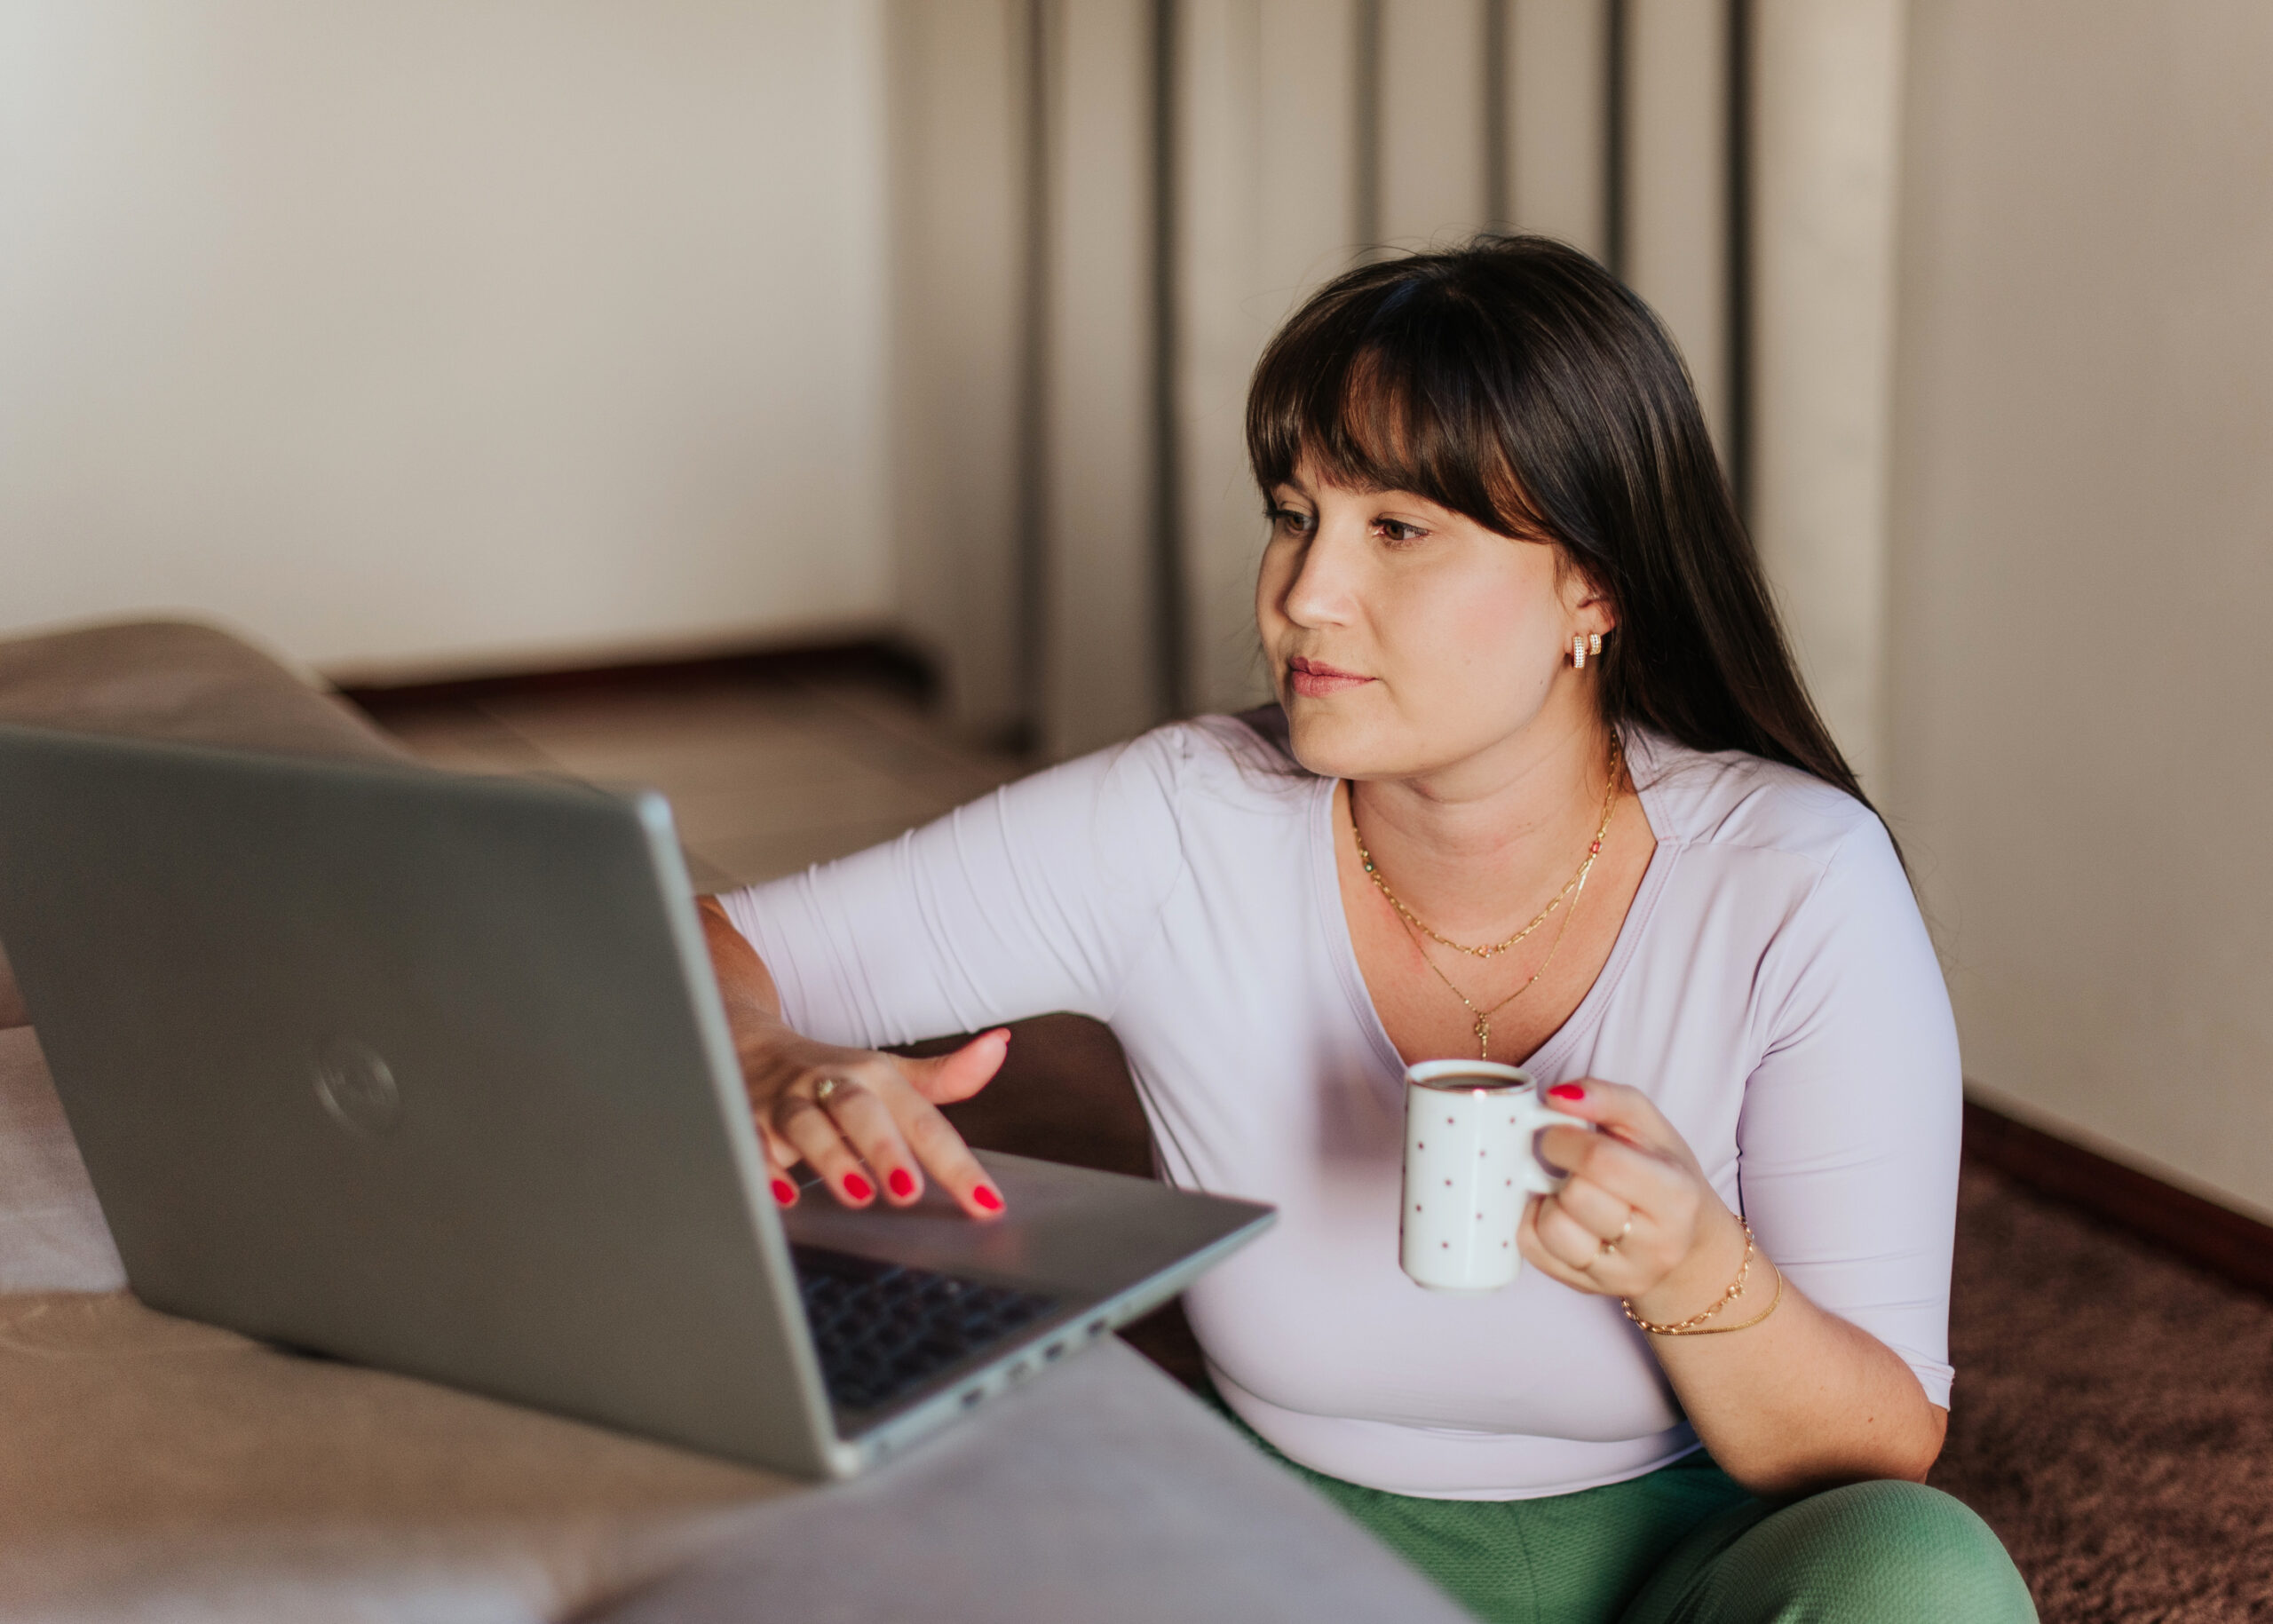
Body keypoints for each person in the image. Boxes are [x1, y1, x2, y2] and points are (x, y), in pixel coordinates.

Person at [698, 236, 2036, 1623]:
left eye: (1397, 528)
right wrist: (761, 1052)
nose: (1302, 595)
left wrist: (1701, 1273)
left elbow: (1882, 1445)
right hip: (1271, 1553)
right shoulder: (1178, 824)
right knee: (874, 1512)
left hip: (1681, 1560)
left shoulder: (1794, 877)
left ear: (1595, 586)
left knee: (1920, 1578)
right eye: (1293, 515)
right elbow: (701, 945)